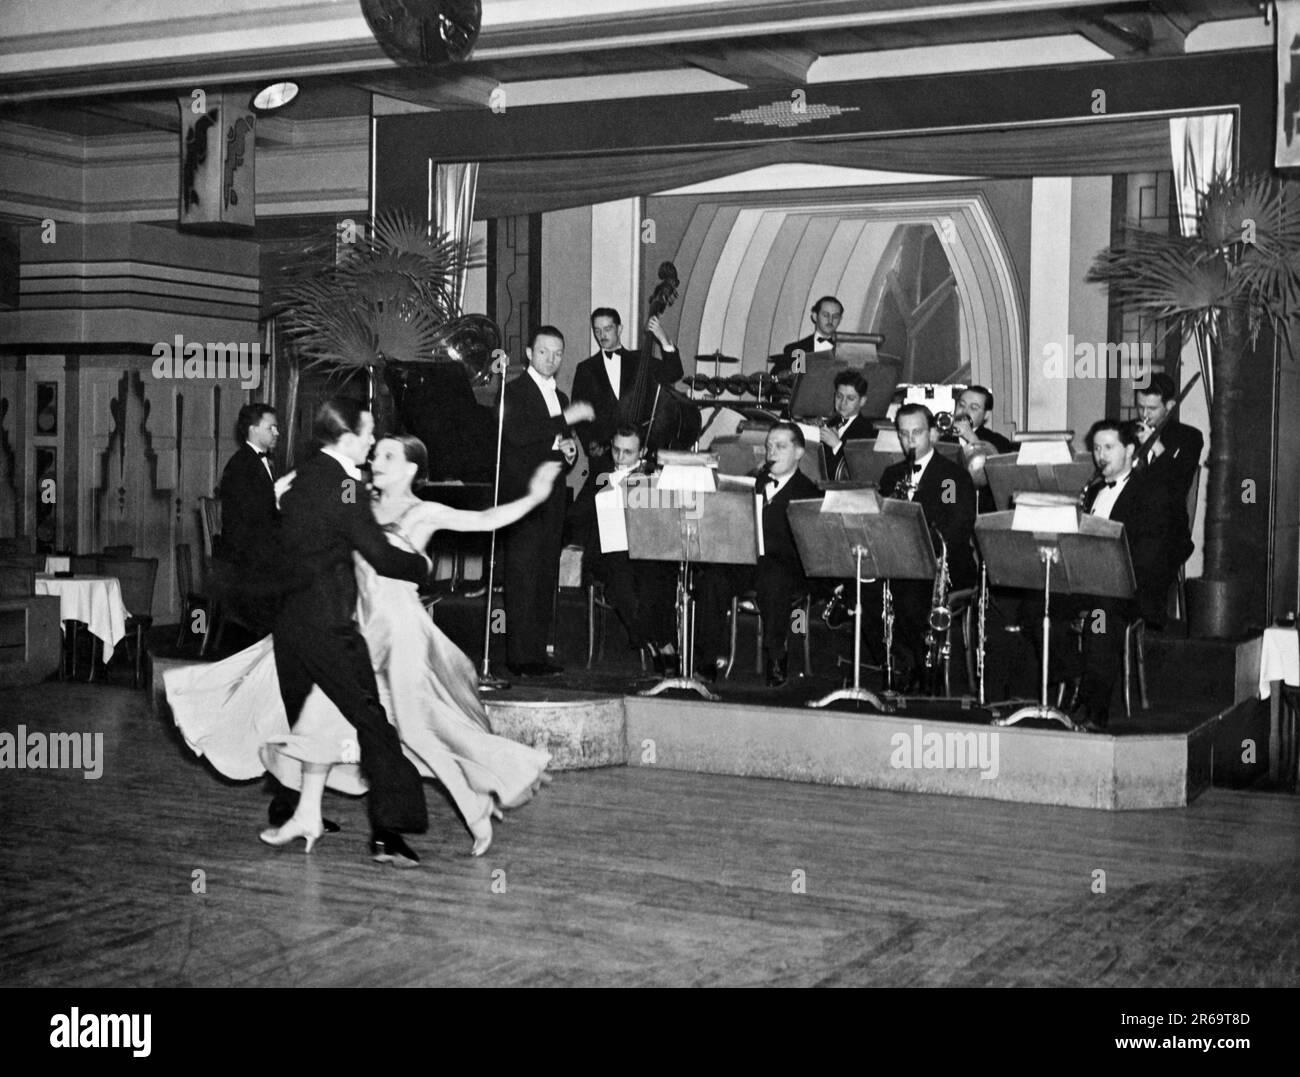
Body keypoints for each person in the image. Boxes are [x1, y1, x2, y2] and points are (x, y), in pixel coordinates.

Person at [166, 431, 560, 859]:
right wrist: (280, 496)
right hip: (361, 627)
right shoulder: (356, 503)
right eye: (376, 453)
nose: (377, 459)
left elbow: (485, 521)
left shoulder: (422, 512)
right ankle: (306, 815)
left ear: (411, 468)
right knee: (319, 713)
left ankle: (475, 808)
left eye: (388, 455)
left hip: (404, 630)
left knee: (414, 730)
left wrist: (536, 496)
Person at [1024, 419, 1180, 731]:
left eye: (1109, 448)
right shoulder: (1093, 491)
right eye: (1096, 448)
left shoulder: (1151, 492)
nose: (1100, 455)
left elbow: (1151, 553)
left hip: (1127, 589)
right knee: (1034, 607)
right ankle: (1075, 673)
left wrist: (1112, 566)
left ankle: (1094, 709)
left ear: (1130, 450)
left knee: (1100, 617)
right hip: (1087, 583)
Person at [694, 422, 822, 688]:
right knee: (713, 578)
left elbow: (808, 549)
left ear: (799, 453)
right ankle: (706, 659)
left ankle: (776, 656)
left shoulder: (809, 493)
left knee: (774, 578)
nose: (771, 452)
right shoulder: (752, 481)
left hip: (785, 568)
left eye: (780, 446)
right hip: (748, 561)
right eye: (769, 446)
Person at [501, 326, 595, 676]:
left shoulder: (563, 397)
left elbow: (558, 445)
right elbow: (519, 434)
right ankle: (518, 658)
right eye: (544, 352)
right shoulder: (514, 392)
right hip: (522, 496)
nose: (551, 360)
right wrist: (564, 422)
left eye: (557, 354)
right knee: (522, 575)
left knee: (544, 576)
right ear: (528, 353)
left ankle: (537, 655)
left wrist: (567, 450)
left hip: (554, 495)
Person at [878, 404, 977, 690]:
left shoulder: (952, 476)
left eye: (917, 432)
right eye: (903, 433)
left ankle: (921, 669)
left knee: (909, 595)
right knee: (864, 591)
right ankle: (899, 659)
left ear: (933, 433)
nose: (910, 440)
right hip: (900, 562)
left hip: (945, 565)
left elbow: (957, 529)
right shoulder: (892, 474)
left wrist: (919, 548)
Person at [581, 425, 677, 672]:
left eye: (628, 452)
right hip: (607, 552)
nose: (620, 458)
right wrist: (601, 503)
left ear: (643, 451)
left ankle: (654, 641)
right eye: (616, 450)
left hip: (644, 552)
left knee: (656, 575)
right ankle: (661, 643)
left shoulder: (654, 477)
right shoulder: (600, 474)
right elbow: (577, 516)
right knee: (621, 578)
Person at [570, 307, 682, 484]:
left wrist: (662, 338)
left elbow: (674, 373)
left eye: (608, 329)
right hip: (604, 458)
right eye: (597, 330)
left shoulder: (640, 361)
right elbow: (579, 413)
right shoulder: (585, 369)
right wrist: (591, 445)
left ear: (619, 329)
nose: (602, 335)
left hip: (640, 454)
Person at [215, 403, 293, 628]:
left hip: (260, 551)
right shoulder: (241, 466)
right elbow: (251, 519)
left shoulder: (265, 461)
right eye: (272, 428)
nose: (277, 433)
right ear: (253, 429)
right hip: (249, 559)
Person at [1133, 372, 1202, 566]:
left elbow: (1177, 485)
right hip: (1130, 525)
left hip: (1167, 530)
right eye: (1140, 407)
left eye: (1152, 408)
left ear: (1170, 406)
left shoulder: (1189, 437)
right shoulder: (1125, 432)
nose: (1144, 415)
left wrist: (1156, 447)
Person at [941, 386, 1014, 513]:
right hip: (949, 507)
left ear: (986, 415)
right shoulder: (942, 440)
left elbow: (998, 481)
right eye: (961, 405)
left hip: (982, 511)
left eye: (974, 408)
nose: (964, 411)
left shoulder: (999, 442)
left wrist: (972, 438)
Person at [819, 369, 876, 481]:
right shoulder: (830, 422)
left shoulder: (867, 430)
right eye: (839, 396)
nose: (842, 403)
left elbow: (858, 473)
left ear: (862, 401)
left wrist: (837, 445)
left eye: (850, 398)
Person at [774, 296, 842, 376]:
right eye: (825, 315)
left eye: (835, 316)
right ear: (814, 316)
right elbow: (777, 377)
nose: (830, 320)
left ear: (840, 319)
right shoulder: (794, 349)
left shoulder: (847, 350)